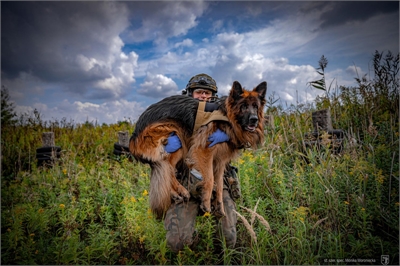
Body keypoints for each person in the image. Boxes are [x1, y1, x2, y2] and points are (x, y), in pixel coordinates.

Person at [163, 73, 241, 252]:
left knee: (228, 239)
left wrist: (232, 138)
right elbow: (156, 142)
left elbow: (248, 132)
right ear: (190, 94)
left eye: (207, 93)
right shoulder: (176, 116)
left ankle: (217, 258)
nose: (204, 96)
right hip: (186, 183)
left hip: (217, 183)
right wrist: (165, 147)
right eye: (199, 92)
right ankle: (195, 252)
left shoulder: (224, 114)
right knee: (177, 243)